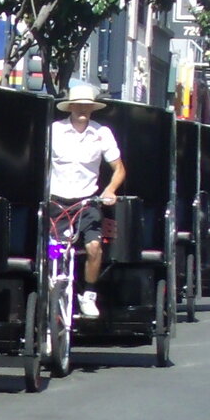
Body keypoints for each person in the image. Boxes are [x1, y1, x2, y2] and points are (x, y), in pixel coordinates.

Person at [47, 78, 125, 318]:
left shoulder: (102, 134)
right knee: (54, 249)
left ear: (92, 108)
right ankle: (51, 281)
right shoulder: (54, 131)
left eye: (87, 105)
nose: (82, 109)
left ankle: (89, 294)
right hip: (56, 200)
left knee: (93, 248)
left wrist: (110, 190)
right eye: (78, 105)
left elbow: (119, 169)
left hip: (87, 201)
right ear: (70, 107)